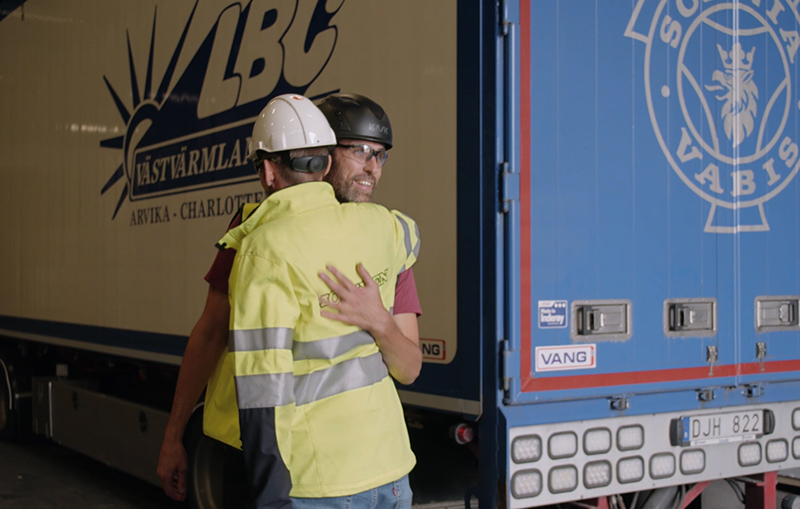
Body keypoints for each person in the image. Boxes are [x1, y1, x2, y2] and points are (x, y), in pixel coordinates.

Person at [156, 93, 422, 505]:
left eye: (380, 156)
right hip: (297, 461)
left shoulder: (378, 236)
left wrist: (380, 322)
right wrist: (174, 437)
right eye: (359, 152)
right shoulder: (256, 234)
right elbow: (210, 335)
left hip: (319, 473)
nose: (372, 168)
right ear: (326, 156)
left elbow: (409, 367)